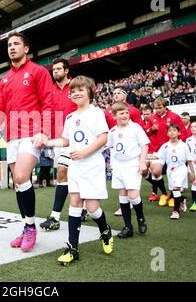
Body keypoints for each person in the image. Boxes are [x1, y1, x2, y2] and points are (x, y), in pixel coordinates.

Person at [0, 31, 53, 252]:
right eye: (9, 45)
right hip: (11, 136)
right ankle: (26, 226)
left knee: (22, 176)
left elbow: (48, 103)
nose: (12, 47)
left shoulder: (38, 72)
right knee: (18, 184)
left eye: (16, 44)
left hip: (32, 133)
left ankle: (31, 228)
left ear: (26, 48)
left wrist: (44, 131)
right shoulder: (5, 79)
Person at [43, 76, 114, 265]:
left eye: (80, 89)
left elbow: (103, 138)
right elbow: (66, 141)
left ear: (90, 92)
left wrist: (83, 153)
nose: (76, 93)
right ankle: (72, 248)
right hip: (76, 166)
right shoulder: (70, 117)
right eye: (73, 91)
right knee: (74, 202)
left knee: (92, 209)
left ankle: (104, 230)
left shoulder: (96, 113)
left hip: (92, 166)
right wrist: (48, 142)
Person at [40, 58, 86, 231]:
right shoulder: (49, 90)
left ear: (66, 71)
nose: (55, 71)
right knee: (64, 173)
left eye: (59, 69)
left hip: (78, 137)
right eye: (54, 69)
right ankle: (67, 213)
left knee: (69, 173)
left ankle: (57, 215)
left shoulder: (76, 87)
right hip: (60, 138)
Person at [107, 102, 149, 238]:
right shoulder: (112, 131)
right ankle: (128, 227)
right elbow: (111, 148)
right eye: (121, 113)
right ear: (114, 116)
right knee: (123, 195)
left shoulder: (135, 127)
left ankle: (140, 217)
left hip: (132, 164)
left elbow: (144, 145)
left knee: (133, 196)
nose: (125, 115)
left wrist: (142, 162)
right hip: (119, 166)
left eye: (126, 112)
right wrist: (111, 163)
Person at [104, 88, 143, 216]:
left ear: (125, 96)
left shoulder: (134, 111)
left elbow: (138, 131)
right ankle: (125, 206)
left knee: (140, 179)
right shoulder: (108, 111)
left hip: (131, 150)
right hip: (115, 147)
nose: (115, 95)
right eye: (114, 93)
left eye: (119, 93)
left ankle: (136, 204)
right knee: (121, 185)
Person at [144, 98, 185, 207]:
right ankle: (164, 193)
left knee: (174, 175)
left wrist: (181, 146)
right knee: (156, 171)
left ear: (165, 106)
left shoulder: (174, 116)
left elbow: (183, 132)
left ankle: (173, 196)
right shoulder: (152, 118)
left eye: (160, 108)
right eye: (156, 108)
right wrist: (151, 129)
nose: (157, 110)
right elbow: (146, 133)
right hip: (158, 151)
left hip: (173, 150)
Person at [157, 124, 195, 219]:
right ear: (167, 133)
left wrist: (192, 173)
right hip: (170, 170)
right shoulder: (165, 146)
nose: (172, 132)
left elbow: (189, 160)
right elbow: (159, 157)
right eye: (170, 131)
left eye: (174, 130)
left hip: (181, 169)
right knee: (175, 191)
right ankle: (182, 200)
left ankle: (175, 211)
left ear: (179, 132)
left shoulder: (184, 146)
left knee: (176, 188)